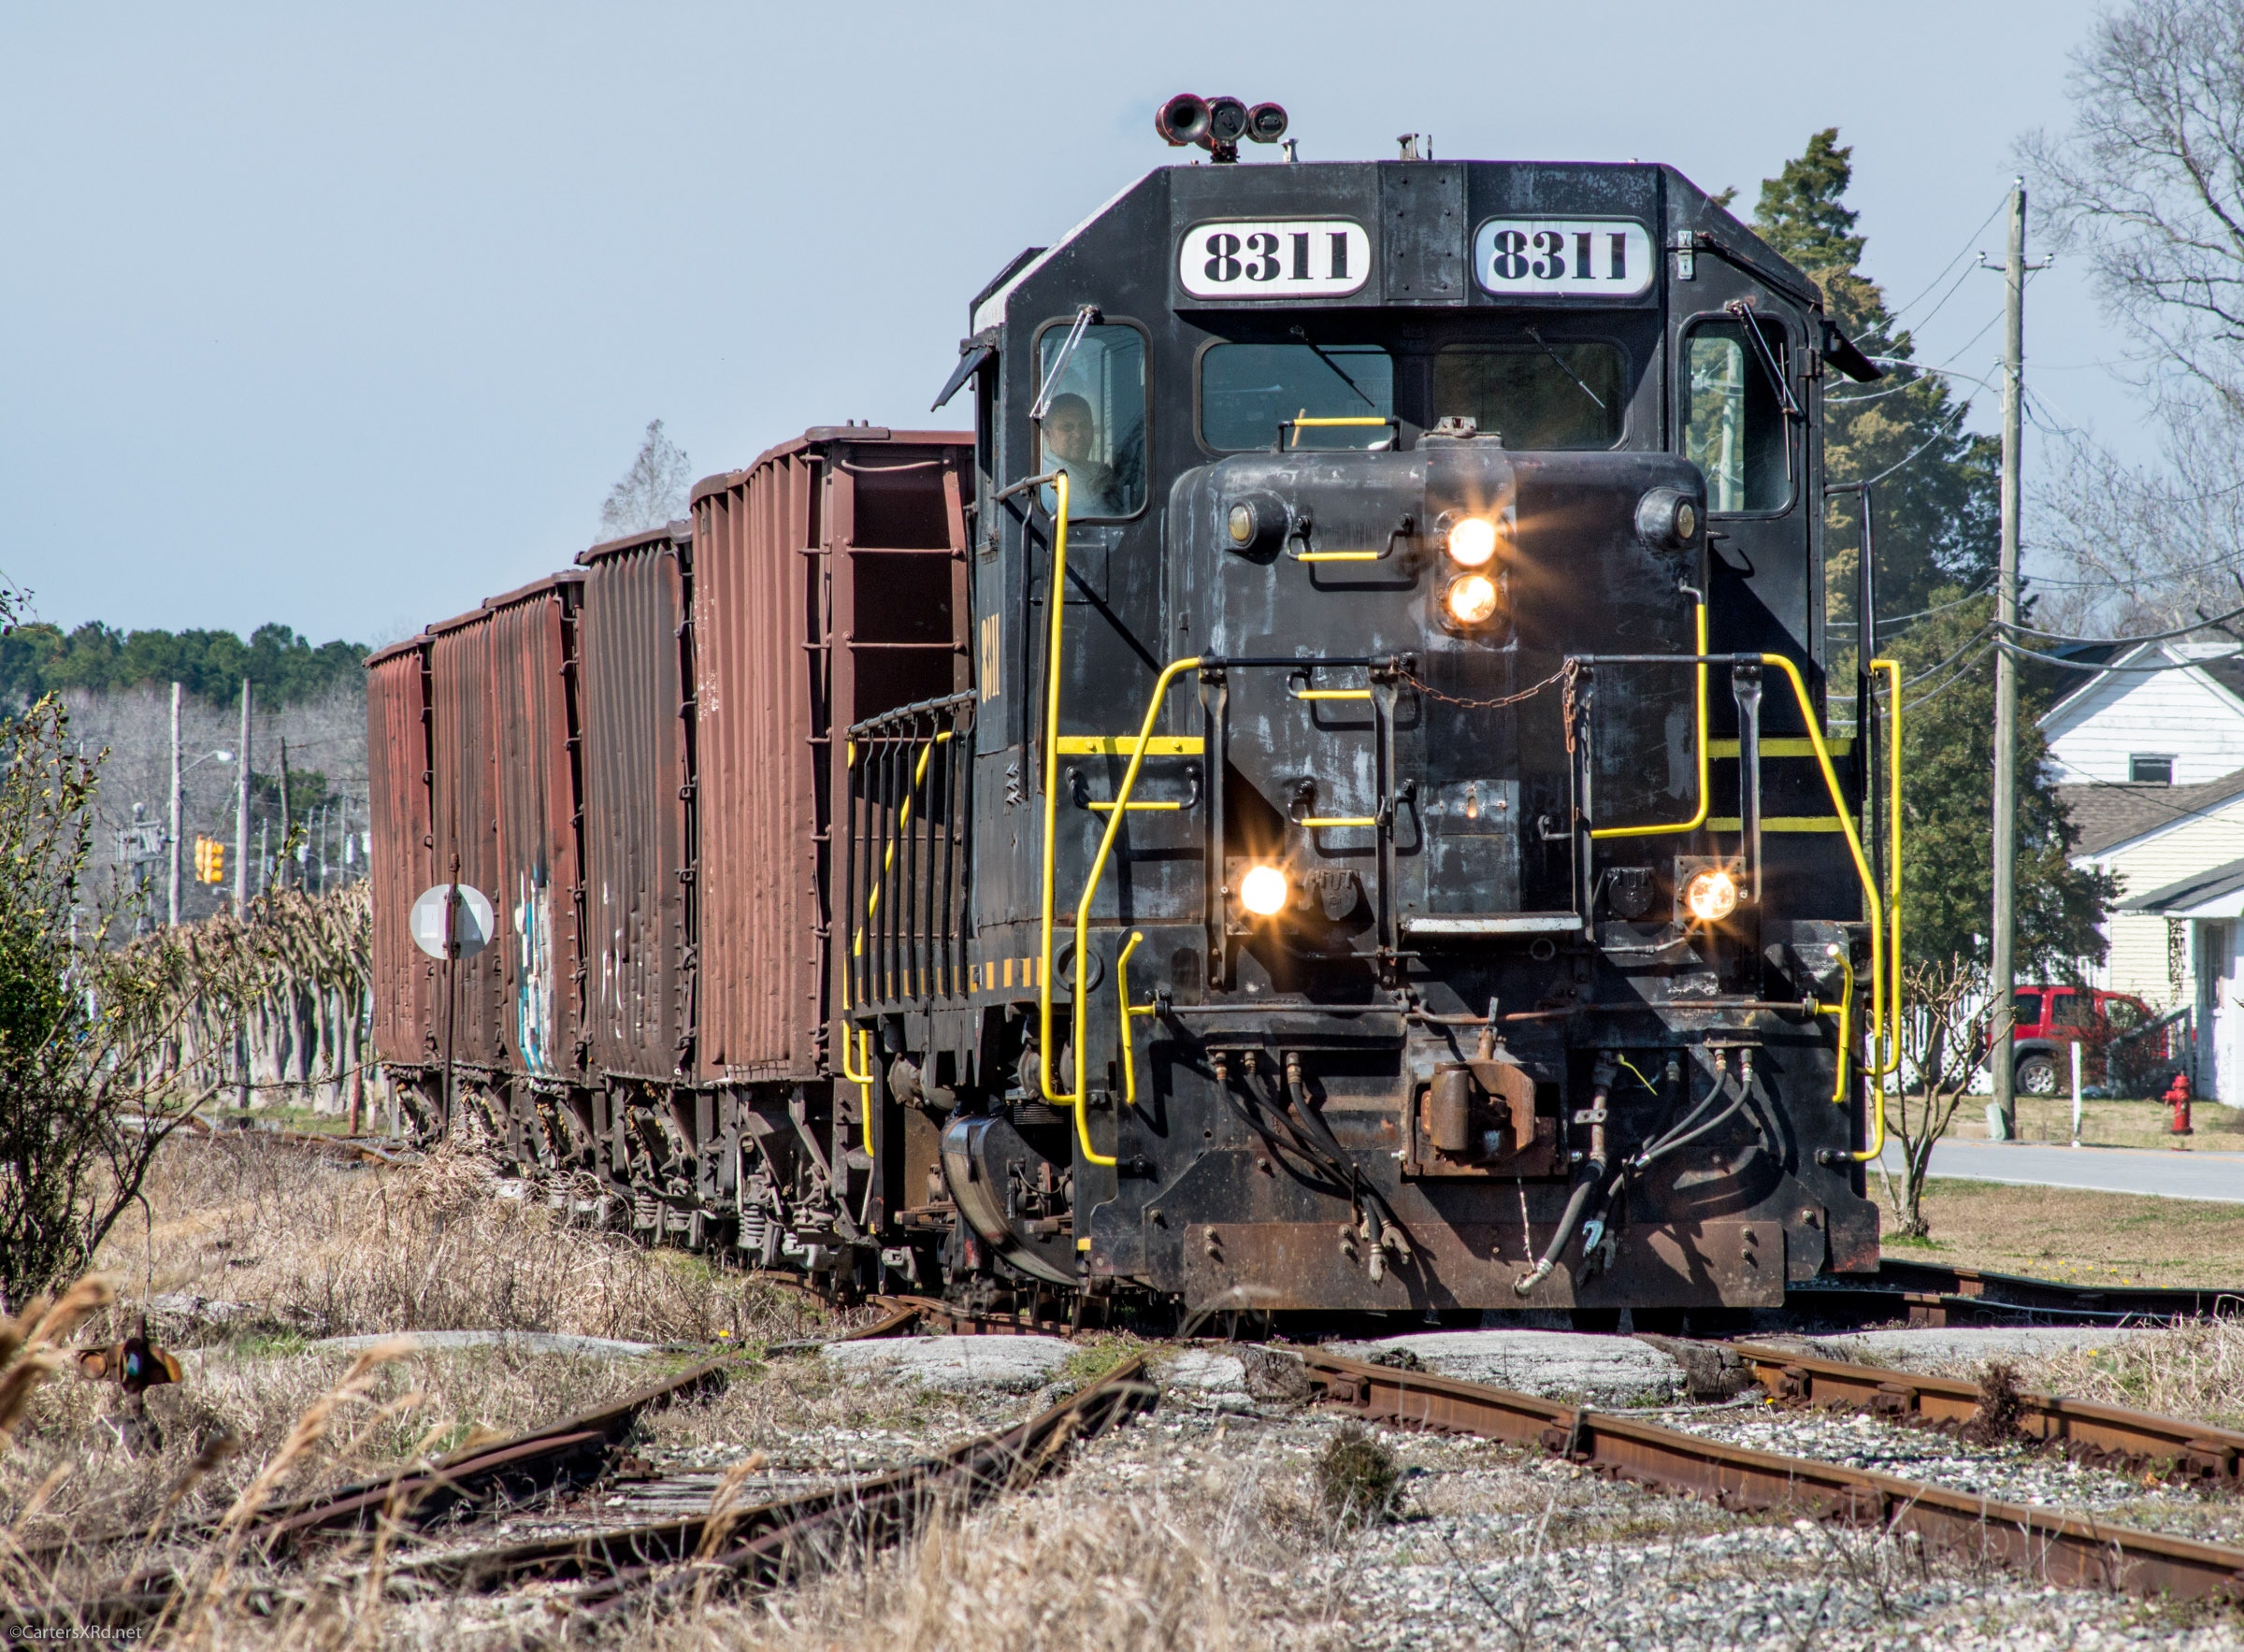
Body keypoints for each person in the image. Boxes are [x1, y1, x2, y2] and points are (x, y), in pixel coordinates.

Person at [1041, 393, 1122, 515]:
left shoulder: (1100, 471)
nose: (1078, 434)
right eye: (1067, 428)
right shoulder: (1051, 480)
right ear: (1048, 434)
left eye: (1084, 425)